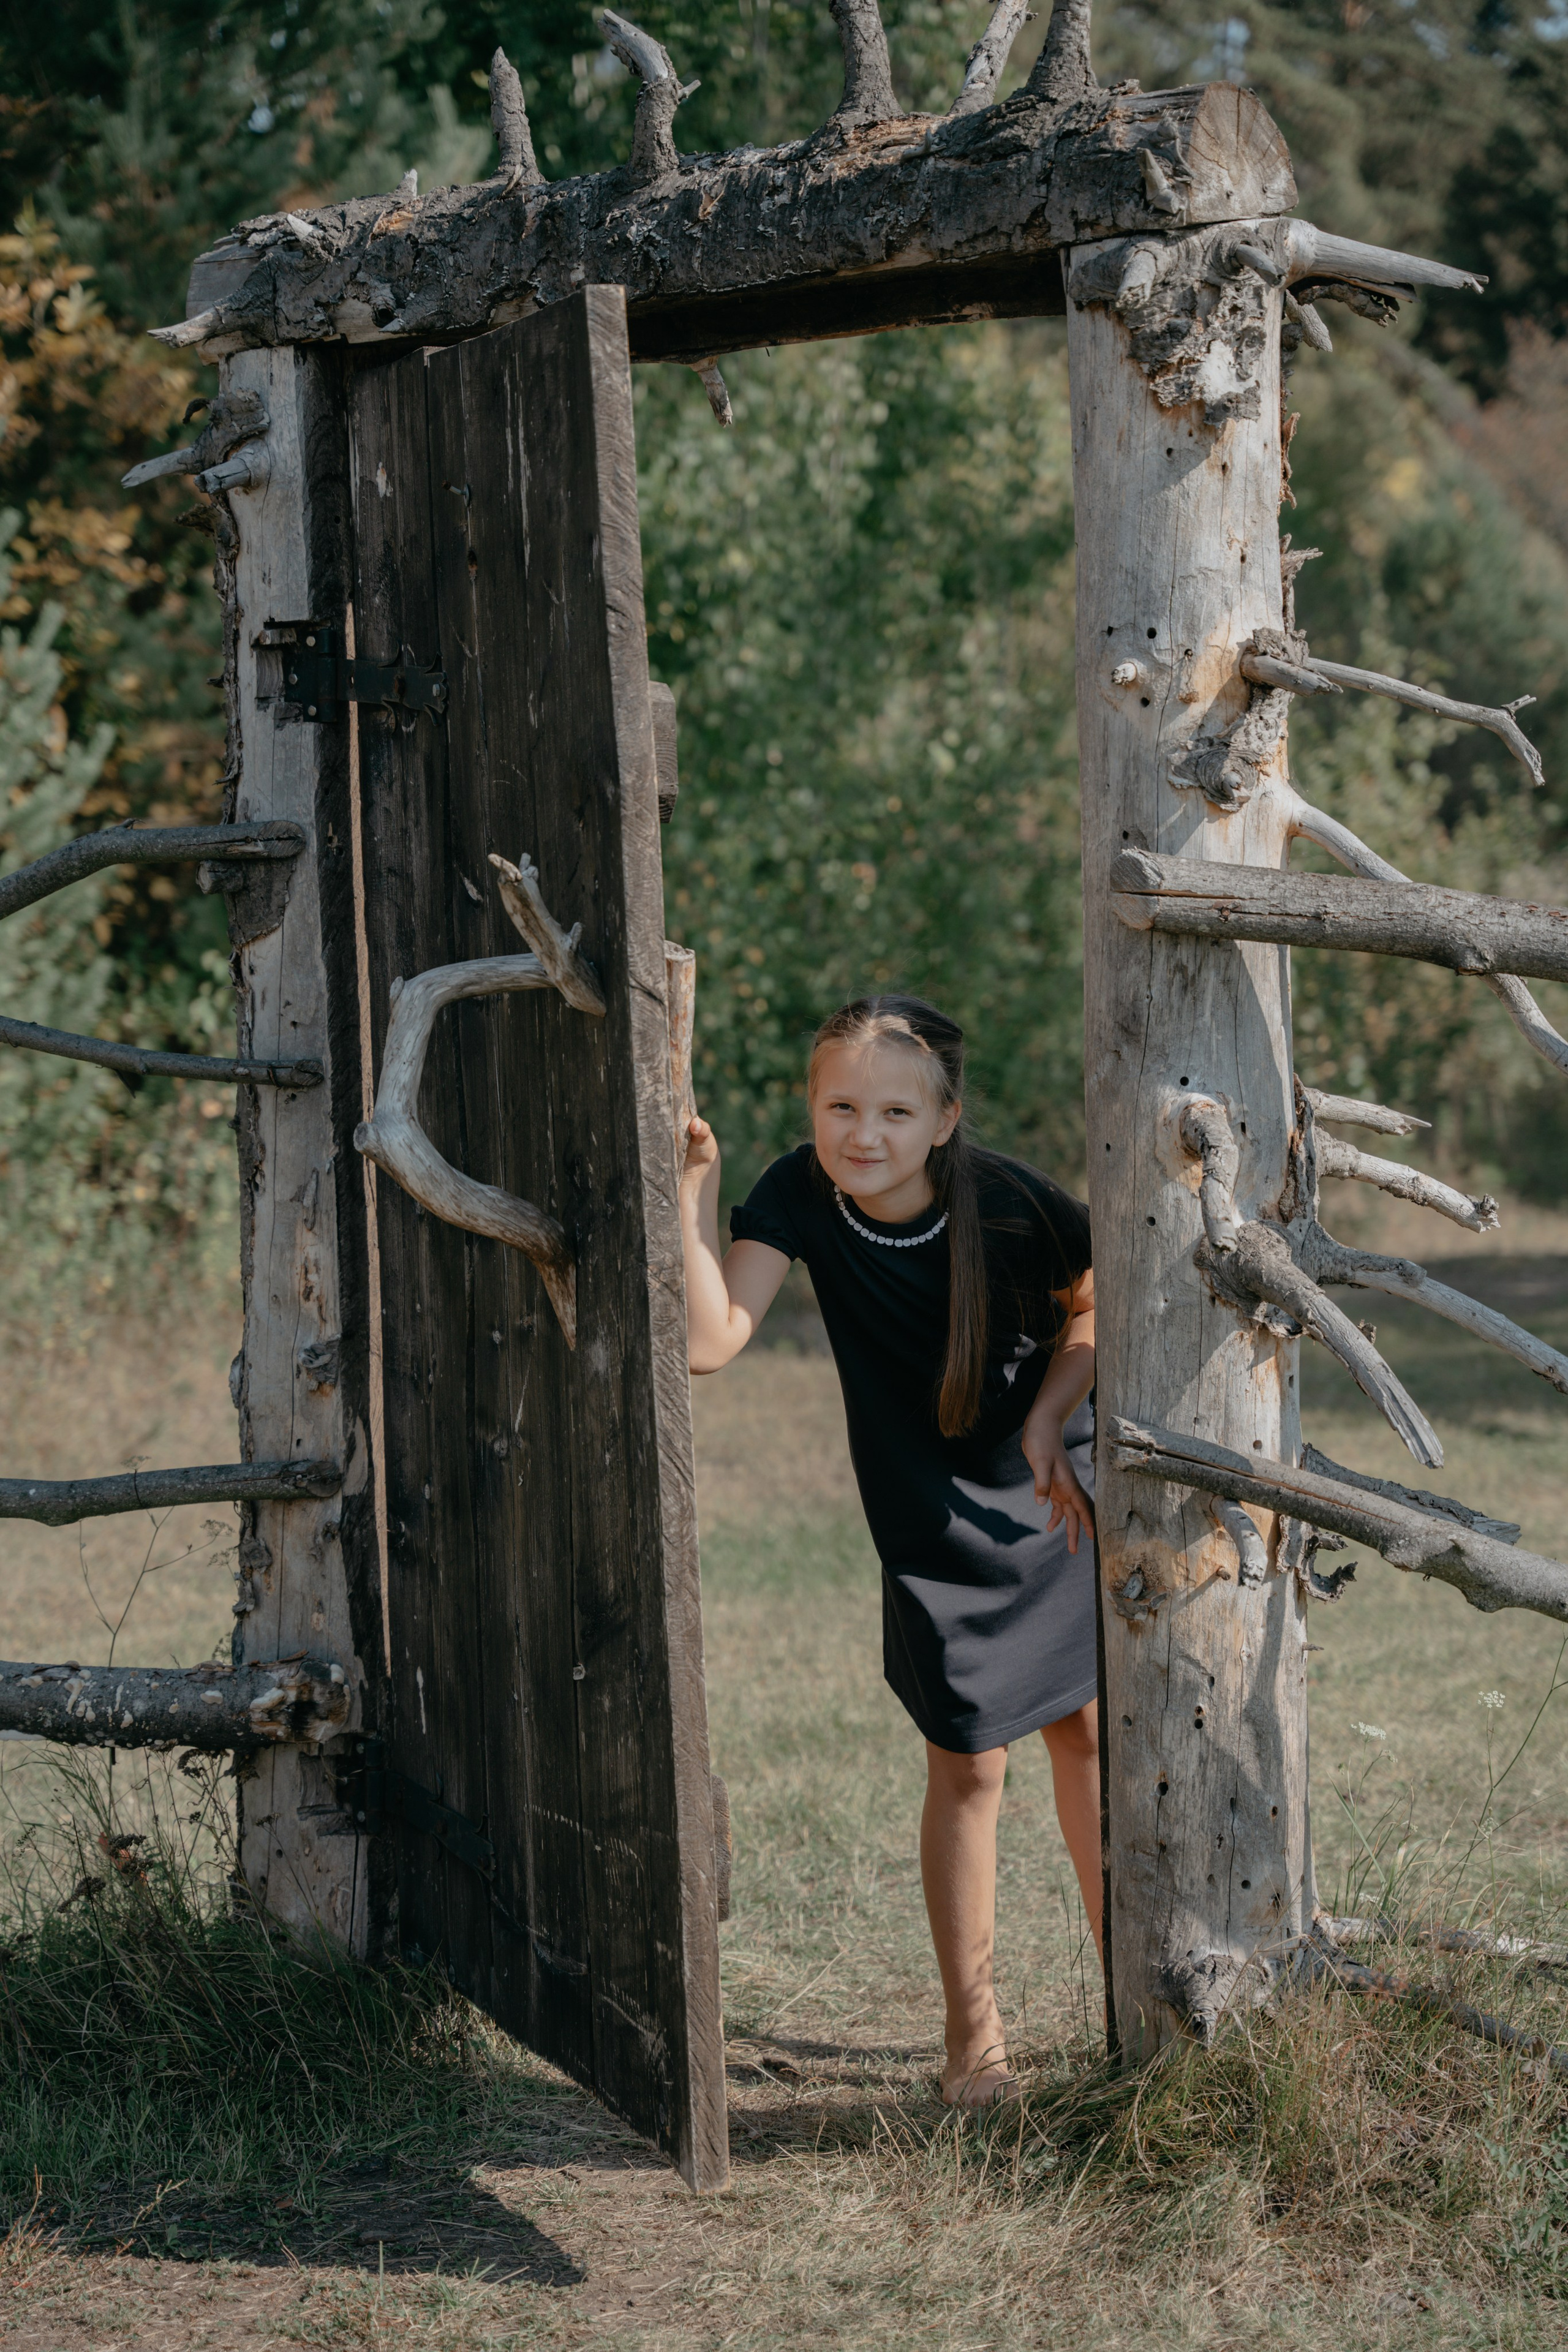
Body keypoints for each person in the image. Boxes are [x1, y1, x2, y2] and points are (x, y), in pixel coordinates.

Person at [679, 993, 1099, 2110]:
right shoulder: (798, 1194)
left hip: (1049, 1490)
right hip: (928, 1514)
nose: (865, 1135)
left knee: (1091, 1738)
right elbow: (711, 1342)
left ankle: (1130, 2007)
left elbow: (1097, 1300)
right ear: (813, 1108)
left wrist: (1055, 1412)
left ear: (945, 1120)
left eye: (897, 1112)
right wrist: (690, 1194)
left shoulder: (1013, 1201)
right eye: (843, 1106)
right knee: (968, 1764)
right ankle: (977, 2042)